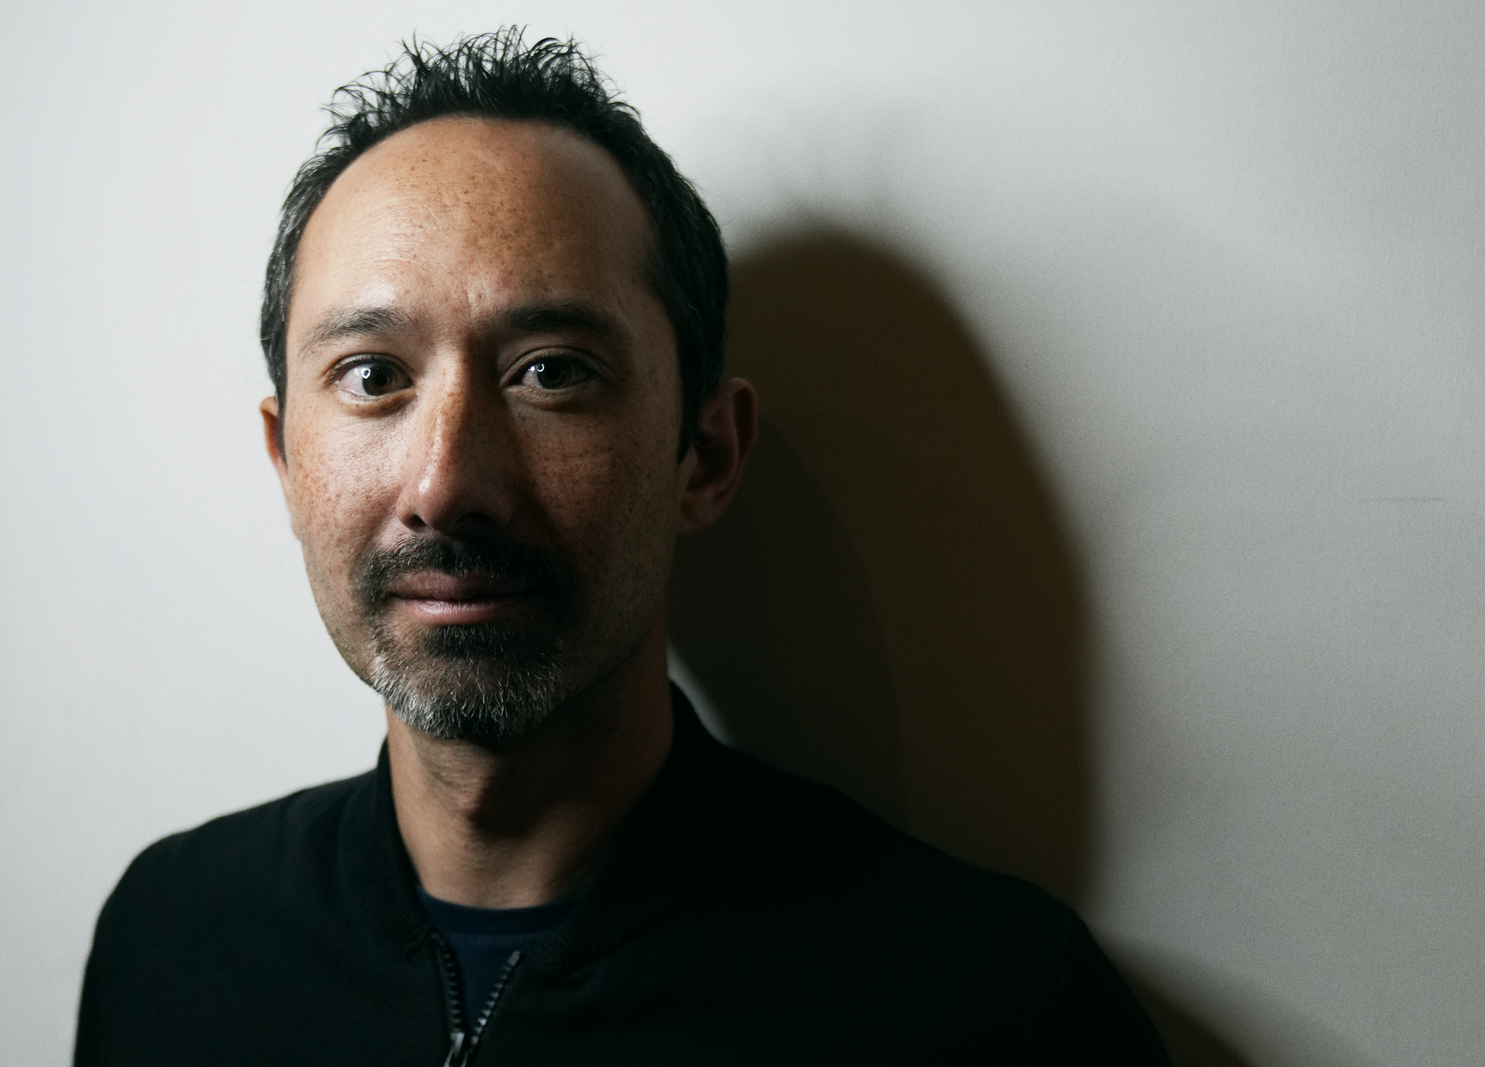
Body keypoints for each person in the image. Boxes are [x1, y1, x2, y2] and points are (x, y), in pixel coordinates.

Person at [74, 29, 1172, 1067]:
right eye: (373, 376)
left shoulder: (995, 1009)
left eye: (552, 371)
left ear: (706, 454)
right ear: (285, 460)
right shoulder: (170, 938)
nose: (447, 484)